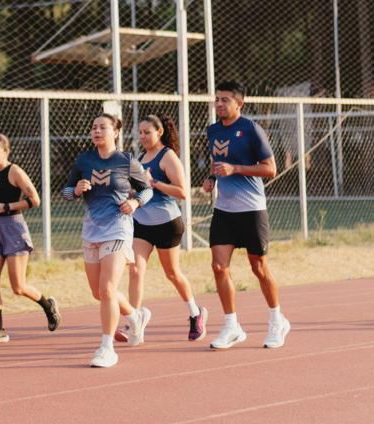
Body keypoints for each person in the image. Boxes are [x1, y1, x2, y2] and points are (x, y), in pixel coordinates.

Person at [203, 81, 290, 350]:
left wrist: (236, 169)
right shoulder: (213, 130)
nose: (219, 104)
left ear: (239, 103)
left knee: (259, 268)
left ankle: (277, 320)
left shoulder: (251, 129)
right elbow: (216, 160)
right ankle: (231, 325)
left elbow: (270, 169)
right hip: (224, 210)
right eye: (217, 99)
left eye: (225, 100)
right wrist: (210, 178)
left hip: (252, 209)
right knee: (218, 267)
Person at [62, 113, 153, 368]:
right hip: (92, 229)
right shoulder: (84, 160)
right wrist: (77, 190)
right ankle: (135, 316)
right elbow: (66, 192)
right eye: (94, 127)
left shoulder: (125, 161)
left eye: (103, 127)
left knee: (108, 289)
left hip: (118, 227)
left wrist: (135, 202)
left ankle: (106, 347)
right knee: (98, 292)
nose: (97, 131)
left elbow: (147, 189)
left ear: (115, 132)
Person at [0, 134, 61, 344]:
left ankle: (48, 305)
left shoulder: (15, 172)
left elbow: (34, 200)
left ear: (6, 152)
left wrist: (7, 206)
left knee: (18, 286)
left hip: (14, 227)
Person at [128, 115, 209, 341]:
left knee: (172, 273)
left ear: (160, 132)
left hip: (167, 223)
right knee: (135, 270)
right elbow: (139, 191)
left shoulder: (168, 156)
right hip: (141, 222)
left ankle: (195, 312)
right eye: (140, 133)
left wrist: (154, 183)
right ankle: (134, 321)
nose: (142, 137)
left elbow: (182, 192)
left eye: (147, 132)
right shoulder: (139, 158)